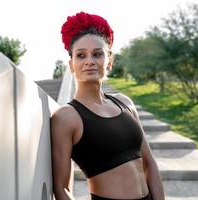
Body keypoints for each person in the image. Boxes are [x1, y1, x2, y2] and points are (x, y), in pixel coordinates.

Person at [50, 12, 165, 200]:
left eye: (97, 54)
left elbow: (149, 164)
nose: (89, 61)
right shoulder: (67, 117)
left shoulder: (125, 103)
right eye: (81, 55)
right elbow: (62, 188)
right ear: (71, 65)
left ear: (109, 61)